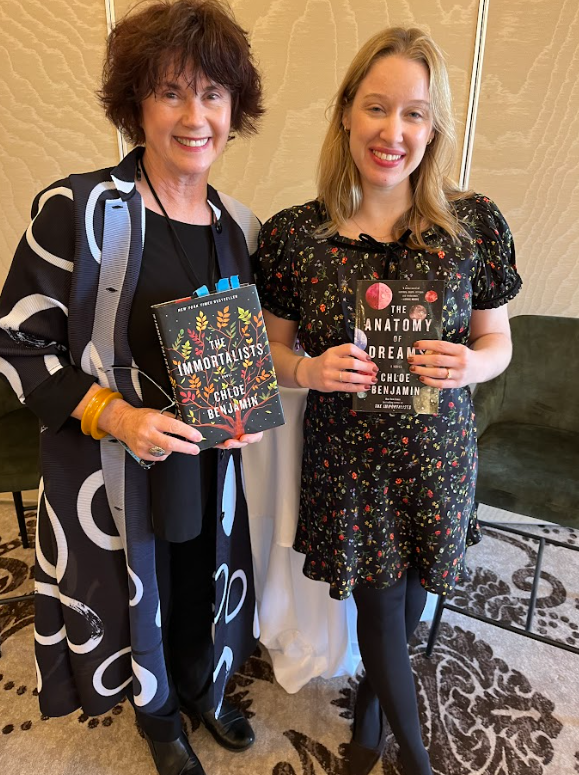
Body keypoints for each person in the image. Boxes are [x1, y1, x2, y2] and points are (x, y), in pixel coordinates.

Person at [0, 2, 265, 774]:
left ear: (234, 108)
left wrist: (240, 411)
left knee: (197, 579)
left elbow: (234, 347)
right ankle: (158, 719)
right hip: (116, 460)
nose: (195, 115)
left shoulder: (235, 226)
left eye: (213, 94)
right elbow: (17, 340)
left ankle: (198, 688)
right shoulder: (79, 210)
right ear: (136, 104)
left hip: (207, 460)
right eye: (172, 91)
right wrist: (114, 414)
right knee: (137, 585)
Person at [256, 27, 521, 775]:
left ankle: (370, 721)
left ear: (431, 126)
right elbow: (271, 354)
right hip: (349, 460)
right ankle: (416, 759)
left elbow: (497, 344)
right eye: (377, 108)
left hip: (439, 456)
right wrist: (308, 370)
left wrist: (468, 363)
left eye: (413, 113)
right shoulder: (293, 238)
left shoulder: (471, 227)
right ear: (345, 113)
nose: (392, 131)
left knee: (404, 609)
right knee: (378, 607)